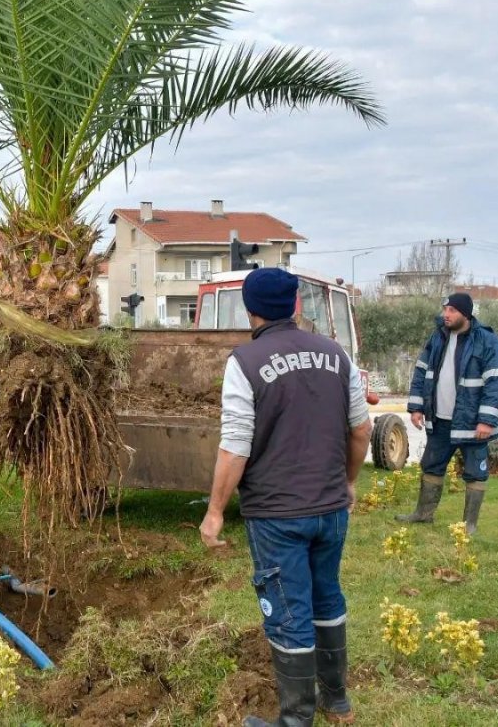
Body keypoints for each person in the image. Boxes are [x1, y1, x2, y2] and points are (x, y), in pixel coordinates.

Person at [200, 268, 371, 727]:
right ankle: (337, 703)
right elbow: (361, 429)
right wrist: (348, 482)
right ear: (297, 305)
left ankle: (296, 720)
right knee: (326, 597)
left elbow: (235, 445)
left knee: (288, 612)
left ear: (249, 310)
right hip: (331, 508)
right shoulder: (337, 355)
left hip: (277, 515)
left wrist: (215, 511)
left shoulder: (245, 362)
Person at [397, 292, 498, 536]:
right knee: (431, 467)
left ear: (465, 314)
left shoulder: (488, 341)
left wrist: (486, 420)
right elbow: (421, 372)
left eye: (452, 311)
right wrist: (416, 407)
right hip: (440, 420)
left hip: (472, 425)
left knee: (475, 473)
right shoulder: (437, 337)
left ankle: (469, 526)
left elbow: (496, 383)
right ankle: (423, 514)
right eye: (444, 309)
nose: (446, 315)